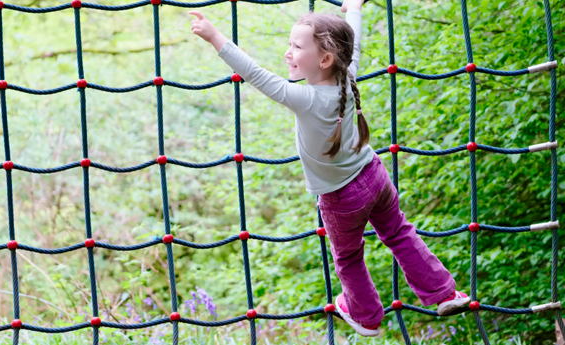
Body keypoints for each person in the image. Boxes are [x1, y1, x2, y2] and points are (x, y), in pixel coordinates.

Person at [188, 0, 470, 337]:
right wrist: (354, 9)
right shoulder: (347, 75)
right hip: (374, 176)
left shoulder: (305, 99)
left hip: (341, 198)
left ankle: (366, 316)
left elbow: (256, 75)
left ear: (324, 59)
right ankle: (444, 293)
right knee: (398, 232)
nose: (287, 53)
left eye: (296, 46)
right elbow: (355, 44)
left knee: (349, 258)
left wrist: (215, 36)